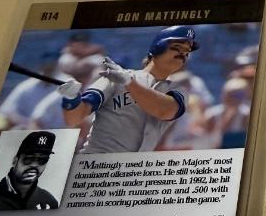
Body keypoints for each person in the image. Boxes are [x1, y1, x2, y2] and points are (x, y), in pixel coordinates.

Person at [56, 26, 198, 154]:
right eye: (177, 48)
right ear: (157, 48)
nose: (183, 54)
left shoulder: (178, 91)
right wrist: (71, 99)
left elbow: (163, 111)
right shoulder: (115, 78)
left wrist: (129, 83)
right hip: (95, 163)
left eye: (186, 52)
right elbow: (74, 118)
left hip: (131, 170)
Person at [0, 130, 60, 210]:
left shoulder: (49, 201)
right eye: (28, 159)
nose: (34, 165)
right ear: (15, 161)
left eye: (42, 160)